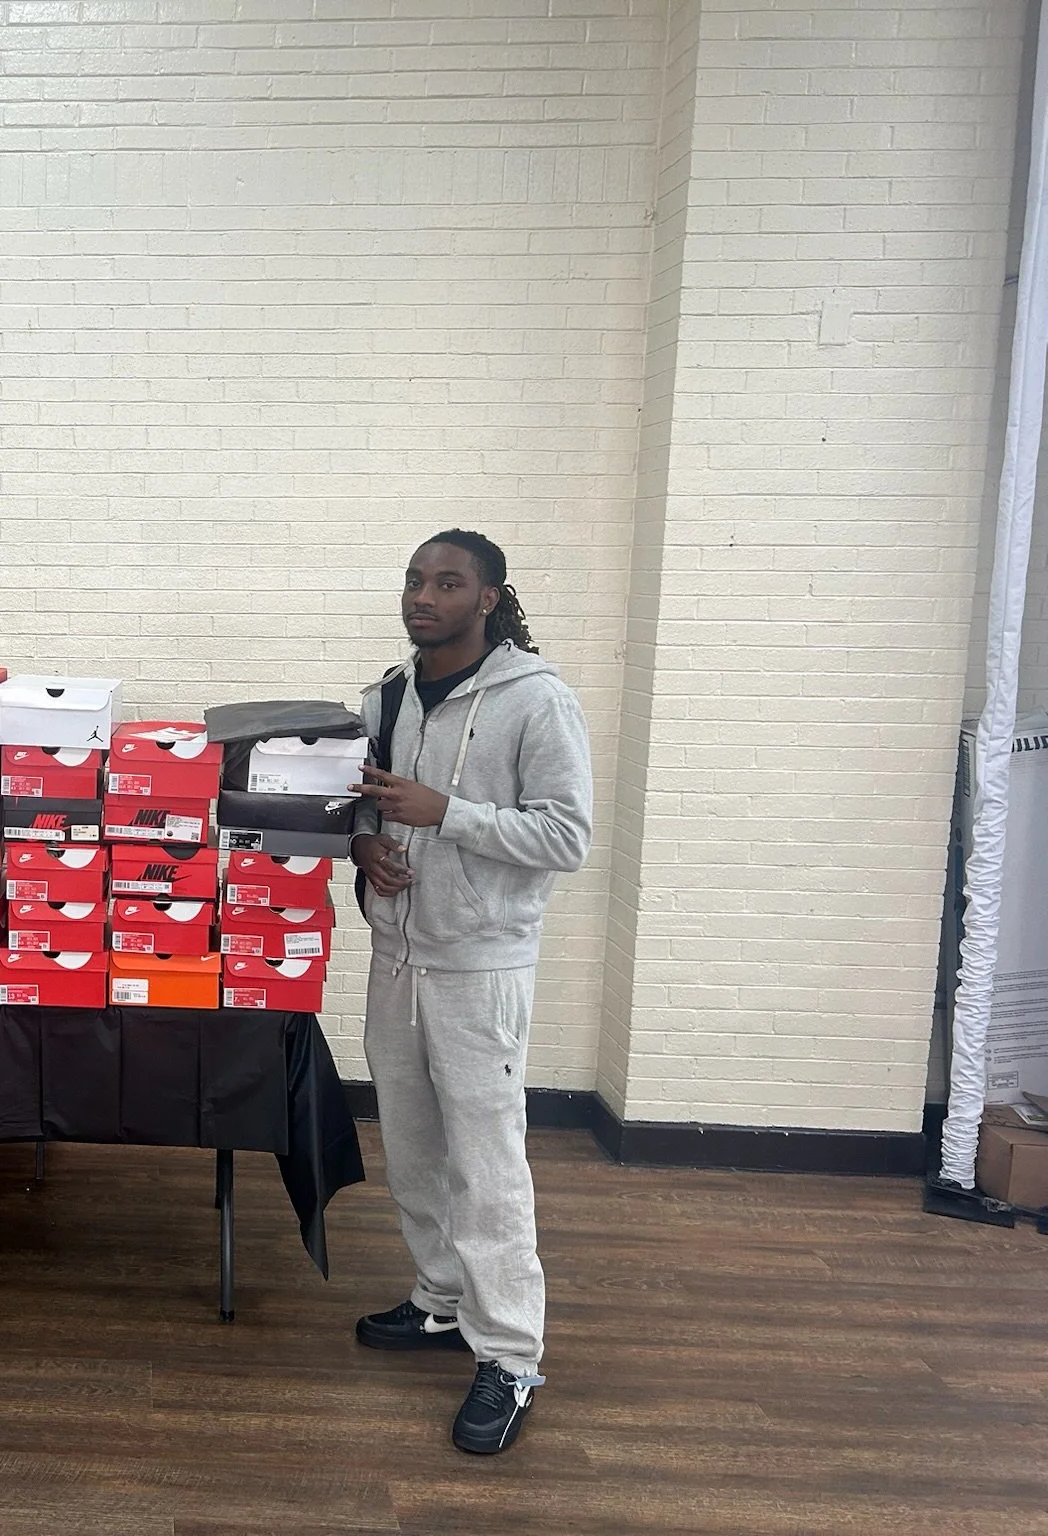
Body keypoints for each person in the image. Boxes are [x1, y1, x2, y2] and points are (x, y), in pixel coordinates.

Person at [348, 529, 593, 1454]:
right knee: (411, 1148)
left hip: (482, 966)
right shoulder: (386, 694)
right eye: (415, 579)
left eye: (449, 583)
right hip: (397, 958)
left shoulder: (538, 701)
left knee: (487, 1170)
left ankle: (512, 1357)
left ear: (489, 598)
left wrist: (447, 811)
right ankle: (441, 1302)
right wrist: (365, 843)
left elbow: (566, 836)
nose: (425, 596)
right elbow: (366, 802)